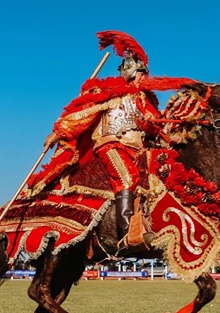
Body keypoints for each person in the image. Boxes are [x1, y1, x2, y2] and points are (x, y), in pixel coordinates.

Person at [43, 31, 160, 253]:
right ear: (132, 74)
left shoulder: (146, 101)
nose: (146, 79)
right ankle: (128, 234)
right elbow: (83, 114)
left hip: (139, 150)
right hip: (112, 145)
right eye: (142, 74)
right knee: (126, 178)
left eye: (146, 74)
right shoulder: (110, 95)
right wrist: (58, 132)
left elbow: (155, 126)